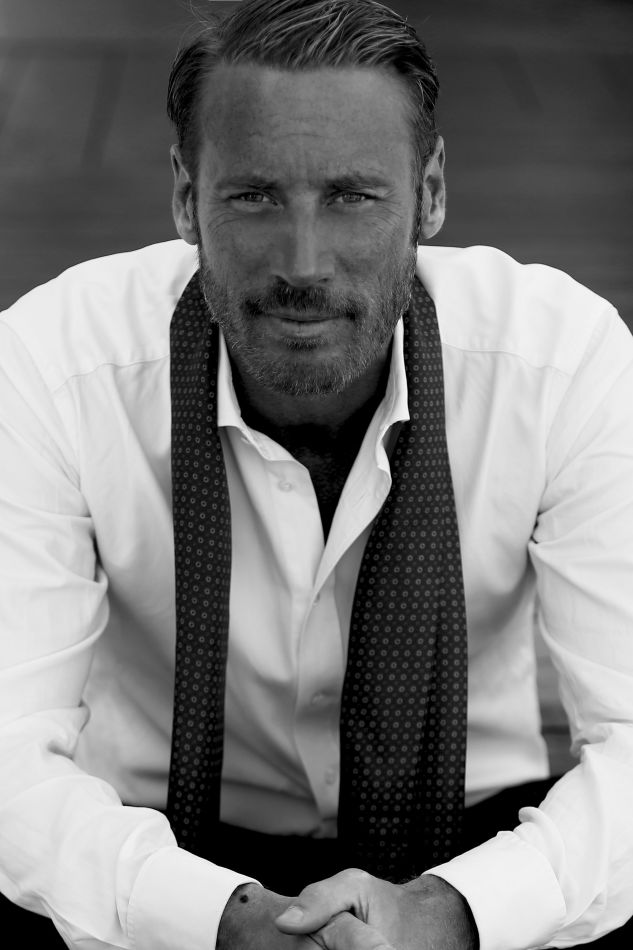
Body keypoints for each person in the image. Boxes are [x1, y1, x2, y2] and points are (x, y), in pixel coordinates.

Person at [1, 0, 632, 948]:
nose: (303, 263)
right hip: (150, 847)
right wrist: (214, 920)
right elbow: (7, 752)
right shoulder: (50, 364)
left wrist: (450, 914)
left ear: (429, 194)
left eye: (352, 197)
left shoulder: (561, 362)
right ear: (185, 197)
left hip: (488, 846)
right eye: (255, 197)